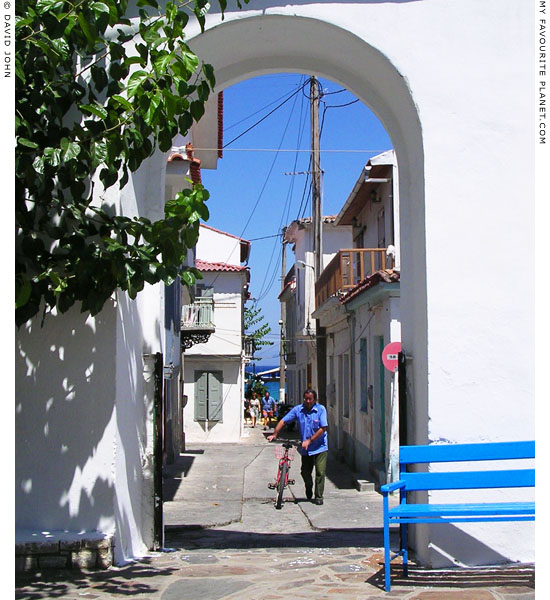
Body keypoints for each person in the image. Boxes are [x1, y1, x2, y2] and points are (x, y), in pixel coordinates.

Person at [267, 389, 328, 505]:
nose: (308, 401)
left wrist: (310, 440)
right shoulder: (298, 410)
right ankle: (309, 486)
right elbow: (283, 421)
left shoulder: (321, 410)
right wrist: (275, 434)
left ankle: (319, 496)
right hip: (306, 448)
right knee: (305, 472)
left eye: (310, 399)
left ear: (314, 399)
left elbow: (323, 429)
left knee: (320, 472)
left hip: (320, 446)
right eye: (306, 399)